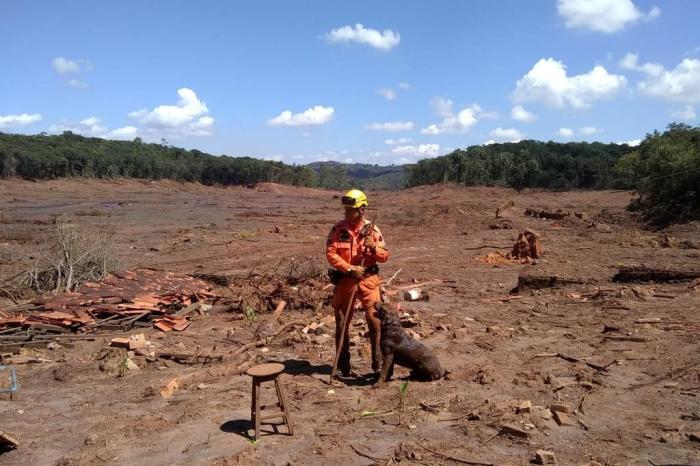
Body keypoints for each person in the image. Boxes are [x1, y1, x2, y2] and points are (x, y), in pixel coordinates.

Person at [326, 189, 389, 378]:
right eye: (345, 209)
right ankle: (342, 365)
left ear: (361, 210)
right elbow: (331, 253)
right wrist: (349, 268)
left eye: (350, 209)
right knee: (342, 321)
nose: (346, 213)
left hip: (369, 281)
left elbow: (385, 256)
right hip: (346, 281)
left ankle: (378, 365)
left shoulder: (373, 231)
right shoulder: (338, 230)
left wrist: (374, 248)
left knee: (375, 320)